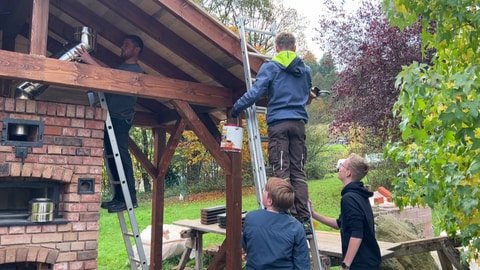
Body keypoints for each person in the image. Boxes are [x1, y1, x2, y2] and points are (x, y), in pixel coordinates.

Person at [231, 32, 313, 235]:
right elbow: (306, 94)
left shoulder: (271, 67)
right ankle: (303, 220)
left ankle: (286, 217)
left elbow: (256, 93)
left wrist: (236, 107)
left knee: (282, 173)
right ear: (294, 48)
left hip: (278, 124)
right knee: (299, 174)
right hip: (299, 125)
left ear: (276, 48)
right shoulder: (305, 70)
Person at [75, 35, 144, 213]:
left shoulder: (135, 70)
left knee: (121, 156)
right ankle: (119, 198)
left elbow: (112, 79)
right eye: (123, 44)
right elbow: (107, 80)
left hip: (120, 120)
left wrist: (90, 60)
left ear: (136, 49)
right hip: (110, 119)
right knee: (113, 159)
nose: (122, 47)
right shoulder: (120, 67)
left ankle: (130, 198)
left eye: (126, 45)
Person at [311, 153, 381, 270]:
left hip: (361, 264)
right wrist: (313, 214)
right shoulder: (359, 194)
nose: (339, 168)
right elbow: (340, 224)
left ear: (348, 173)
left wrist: (345, 265)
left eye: (342, 166)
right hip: (368, 261)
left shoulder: (349, 198)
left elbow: (357, 234)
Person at [241, 177, 310, 269]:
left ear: (269, 201)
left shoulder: (251, 218)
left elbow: (246, 245)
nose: (262, 192)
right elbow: (302, 264)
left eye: (264, 190)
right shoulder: (297, 227)